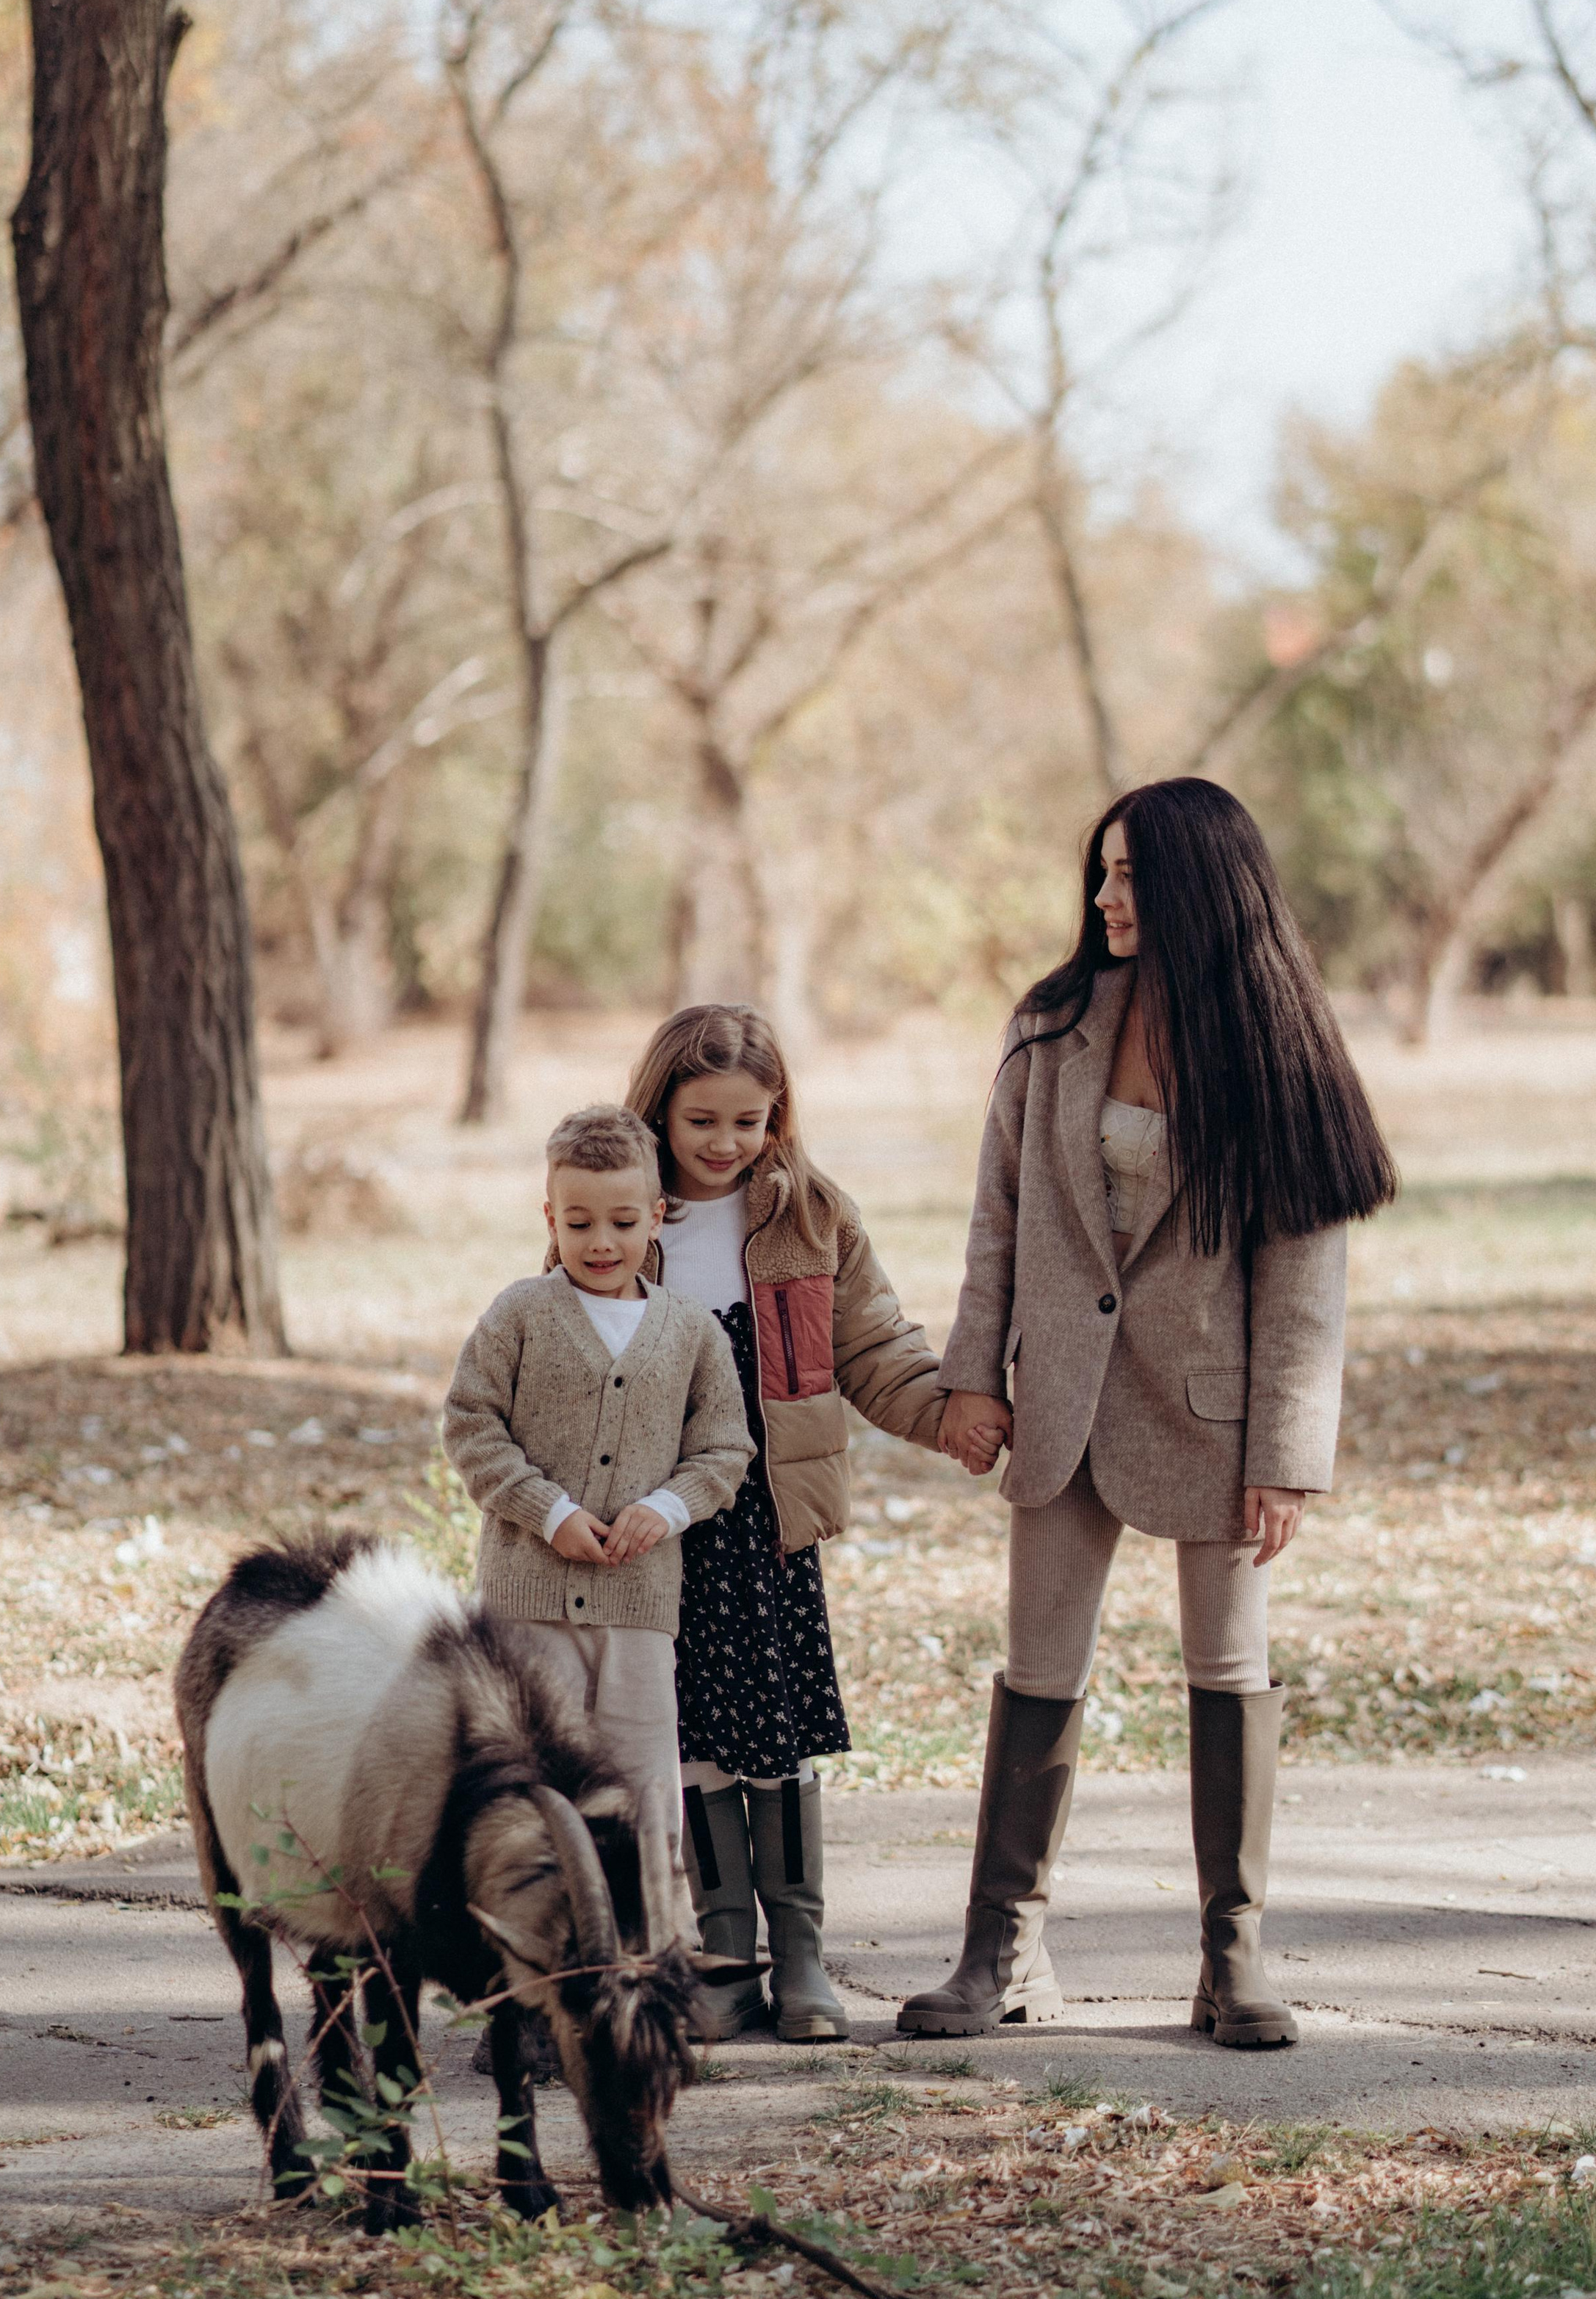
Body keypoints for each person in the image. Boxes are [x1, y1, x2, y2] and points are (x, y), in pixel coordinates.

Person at [897, 778, 1396, 2049]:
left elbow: (1304, 1277)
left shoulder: (1276, 1043)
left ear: (1200, 886)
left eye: (1132, 876)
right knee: (1038, 1666)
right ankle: (1000, 1955)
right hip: (1059, 1396)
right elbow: (997, 1217)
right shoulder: (1052, 1025)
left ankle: (1234, 1961)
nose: (1108, 898)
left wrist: (1286, 1453)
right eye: (1102, 873)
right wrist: (972, 1372)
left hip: (1214, 1418)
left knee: (1230, 1670)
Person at [626, 1002, 964, 2043]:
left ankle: (803, 1955)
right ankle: (724, 1956)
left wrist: (952, 1417)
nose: (727, 1143)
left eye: (749, 1120)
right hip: (665, 1525)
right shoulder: (625, 1215)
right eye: (703, 1123)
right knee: (692, 1741)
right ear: (661, 1115)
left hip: (770, 1523)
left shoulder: (811, 1215)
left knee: (776, 1738)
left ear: (779, 1116)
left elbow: (872, 1349)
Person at [441, 1102, 754, 1840]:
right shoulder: (520, 1313)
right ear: (550, 1217)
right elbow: (469, 1423)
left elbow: (725, 1448)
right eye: (578, 1223)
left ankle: (649, 1940)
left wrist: (668, 1507)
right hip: (529, 1599)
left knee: (643, 1783)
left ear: (656, 1215)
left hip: (638, 1604)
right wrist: (550, 1511)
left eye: (622, 1221)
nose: (601, 1241)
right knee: (526, 1777)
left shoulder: (690, 1331)